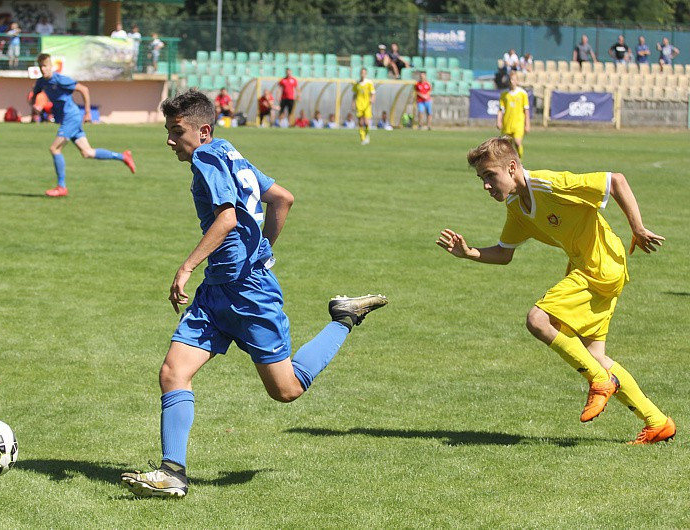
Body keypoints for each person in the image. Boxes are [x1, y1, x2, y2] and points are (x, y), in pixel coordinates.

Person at [119, 89, 388, 498]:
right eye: (168, 131)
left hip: (249, 292)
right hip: (218, 290)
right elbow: (282, 198)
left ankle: (344, 318)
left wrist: (187, 266)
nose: (170, 140)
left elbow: (227, 217)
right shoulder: (228, 151)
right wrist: (263, 248)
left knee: (287, 389)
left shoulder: (206, 156)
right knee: (174, 372)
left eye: (177, 131)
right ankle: (172, 472)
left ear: (203, 130)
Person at [437, 136, 676, 446]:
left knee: (538, 320)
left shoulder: (549, 184)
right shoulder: (517, 207)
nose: (485, 185)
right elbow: (504, 253)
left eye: (490, 176)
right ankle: (657, 421)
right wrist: (468, 253)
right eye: (482, 178)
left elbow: (616, 180)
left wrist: (638, 227)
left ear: (511, 168)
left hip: (600, 265)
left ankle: (600, 382)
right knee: (595, 356)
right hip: (590, 267)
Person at [29, 53, 136, 197]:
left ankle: (61, 187)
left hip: (71, 117)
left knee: (54, 149)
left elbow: (84, 89)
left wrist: (87, 112)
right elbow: (34, 96)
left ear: (51, 66)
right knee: (87, 152)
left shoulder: (60, 79)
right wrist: (36, 106)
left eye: (45, 66)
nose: (43, 69)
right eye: (40, 66)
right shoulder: (41, 82)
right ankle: (123, 157)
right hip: (66, 119)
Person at [497, 71, 529, 159]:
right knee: (507, 147)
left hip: (518, 123)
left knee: (517, 142)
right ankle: (510, 164)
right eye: (510, 79)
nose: (512, 81)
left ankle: (519, 160)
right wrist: (499, 121)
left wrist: (527, 124)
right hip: (507, 124)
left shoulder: (522, 94)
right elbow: (501, 109)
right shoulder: (504, 94)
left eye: (514, 79)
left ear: (517, 81)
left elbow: (526, 110)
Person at [352, 67, 375, 145]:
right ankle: (362, 138)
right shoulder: (357, 84)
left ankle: (367, 134)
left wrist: (372, 99)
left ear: (366, 74)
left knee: (366, 122)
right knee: (361, 123)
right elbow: (354, 95)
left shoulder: (369, 83)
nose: (363, 74)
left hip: (367, 104)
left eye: (364, 73)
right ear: (360, 73)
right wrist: (353, 103)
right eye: (362, 72)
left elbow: (373, 93)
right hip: (359, 104)